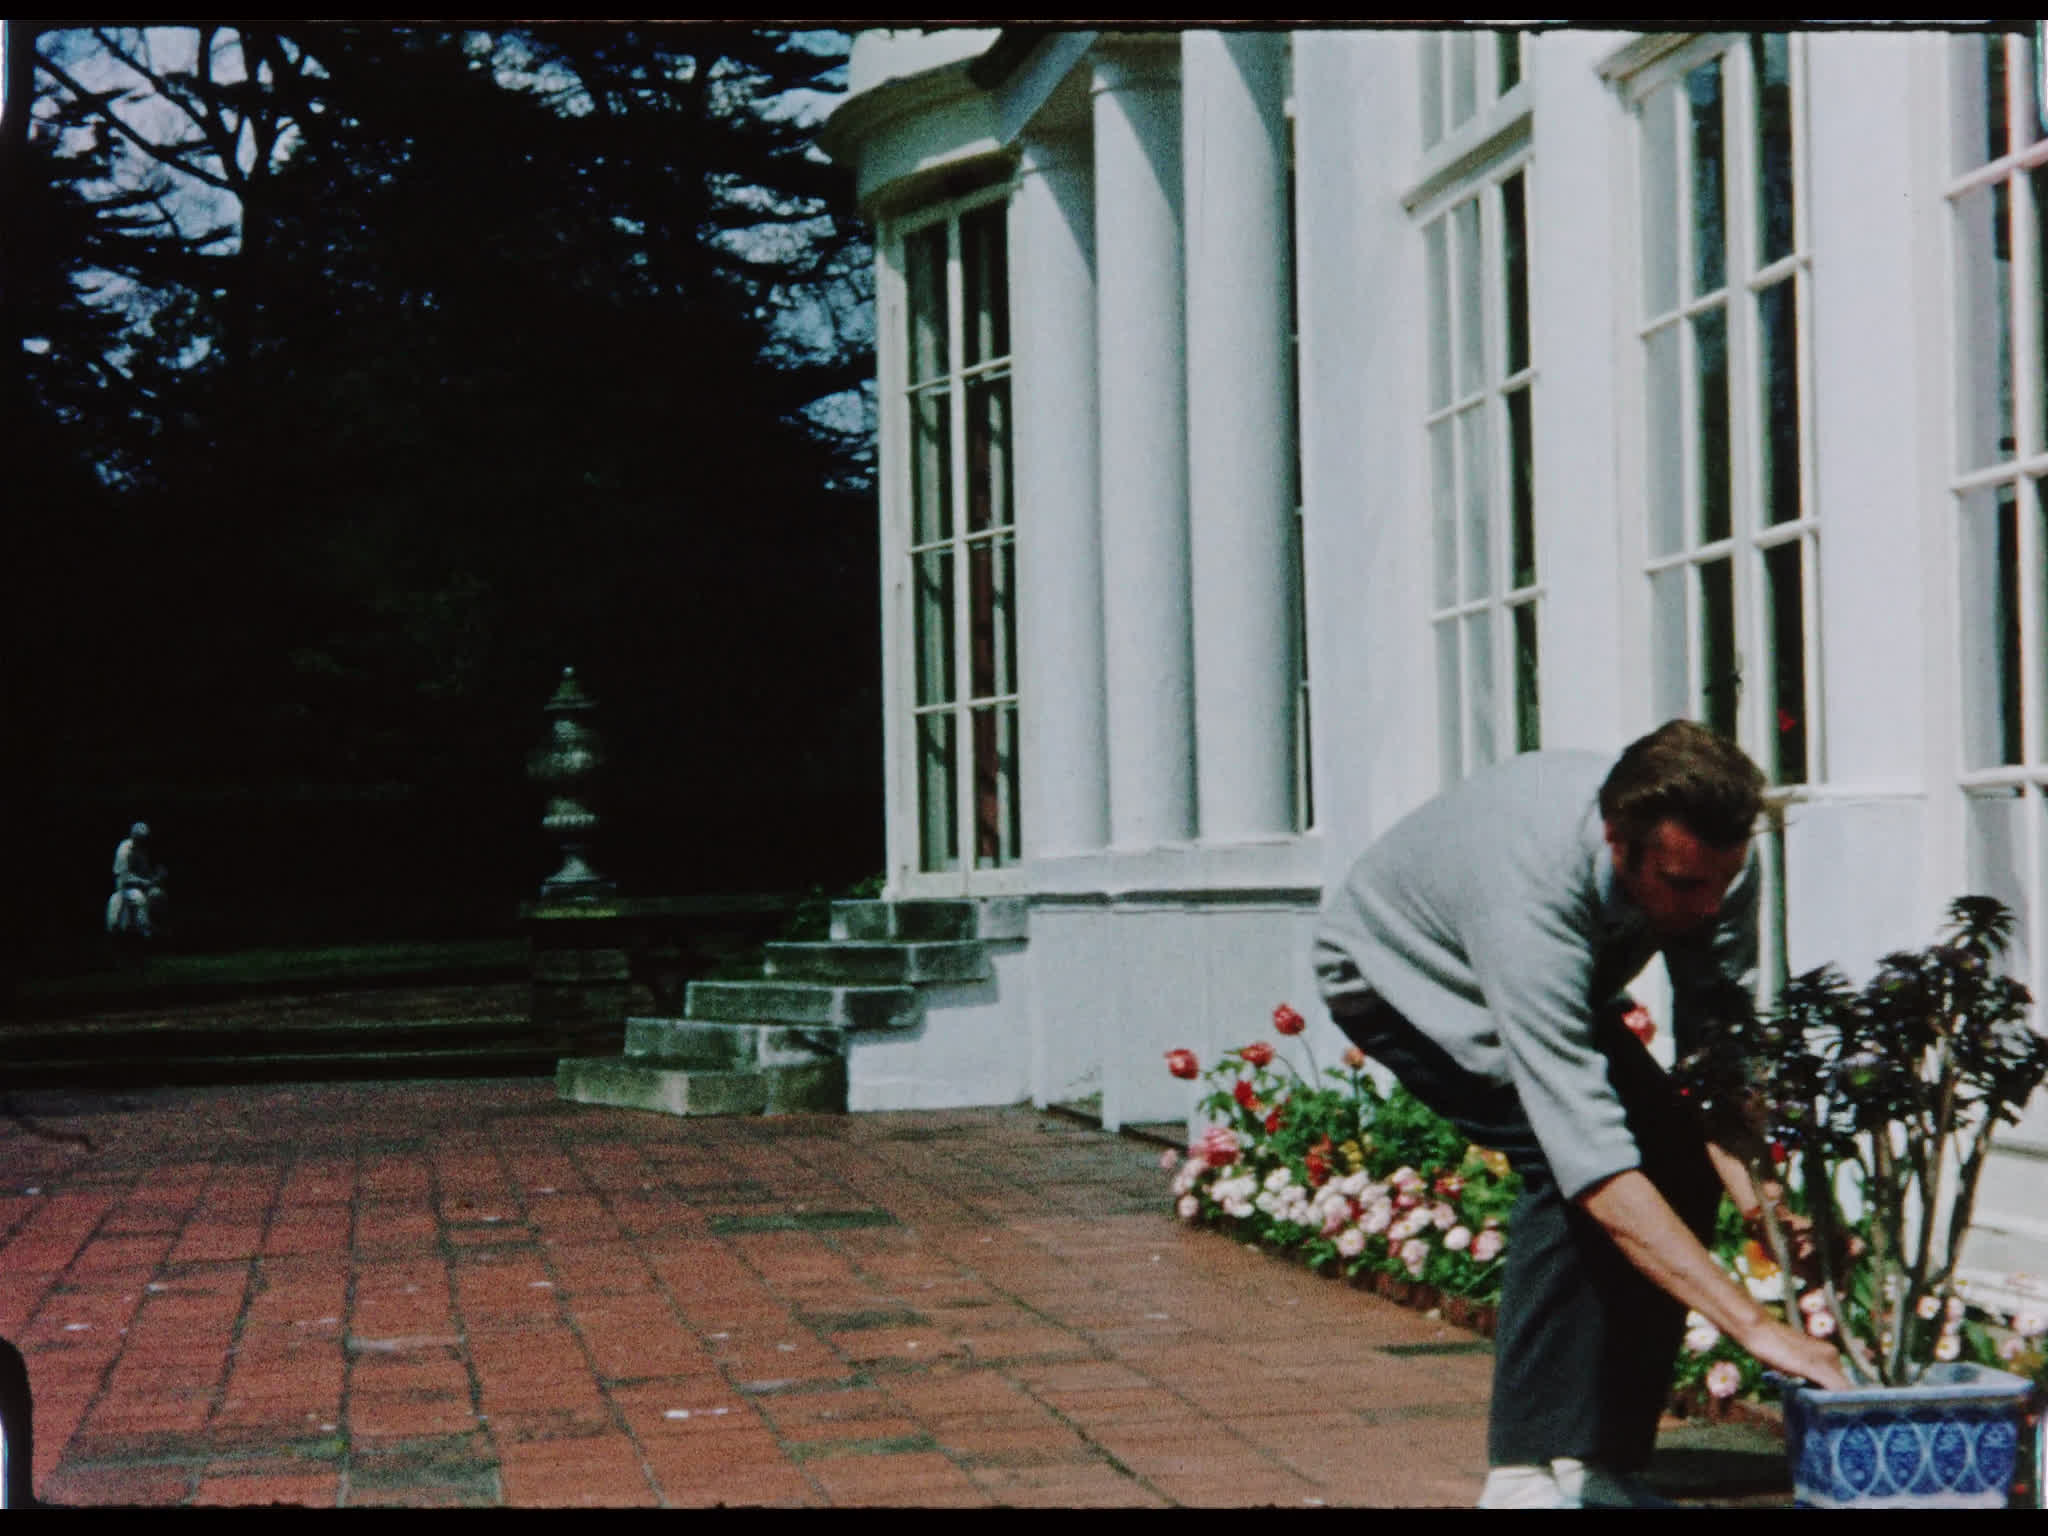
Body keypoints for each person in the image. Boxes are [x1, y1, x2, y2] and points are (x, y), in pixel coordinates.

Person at [1313, 720, 1850, 1510]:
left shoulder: (1717, 864)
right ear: (1616, 842)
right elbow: (1589, 1156)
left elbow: (1716, 1058)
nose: (1705, 908)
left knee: (1672, 1155)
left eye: (1720, 884)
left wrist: (1763, 1204)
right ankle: (1525, 1474)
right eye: (1680, 886)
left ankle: (1600, 1466)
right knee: (1563, 1164)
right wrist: (1757, 1329)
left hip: (1555, 979)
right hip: (1400, 976)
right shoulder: (1528, 891)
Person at [106, 822, 166, 940]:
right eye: (141, 839)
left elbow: (144, 871)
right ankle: (144, 932)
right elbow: (124, 877)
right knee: (139, 899)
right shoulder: (124, 851)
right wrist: (145, 882)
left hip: (139, 884)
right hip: (124, 887)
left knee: (158, 894)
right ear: (134, 836)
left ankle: (156, 931)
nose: (143, 842)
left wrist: (157, 876)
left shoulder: (141, 849)